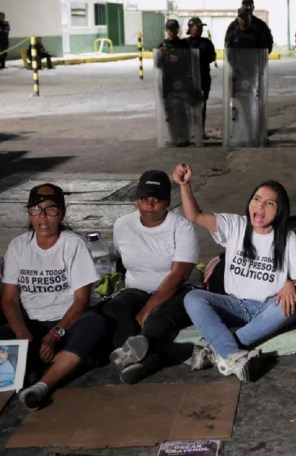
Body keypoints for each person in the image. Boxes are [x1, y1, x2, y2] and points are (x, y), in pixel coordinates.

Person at [174, 164, 296, 382]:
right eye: (257, 199)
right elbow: (194, 215)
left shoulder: (287, 237)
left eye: (269, 203)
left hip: (268, 307)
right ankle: (233, 354)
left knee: (291, 307)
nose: (260, 206)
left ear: (280, 210)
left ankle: (218, 348)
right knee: (192, 298)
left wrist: (293, 284)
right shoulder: (235, 225)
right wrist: (185, 185)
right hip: (234, 305)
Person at [1, 184, 109, 410]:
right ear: (29, 212)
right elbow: (9, 299)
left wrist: (56, 333)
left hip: (66, 323)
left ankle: (41, 387)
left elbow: (81, 300)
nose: (42, 217)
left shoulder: (73, 244)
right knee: (5, 336)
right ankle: (48, 364)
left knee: (95, 323)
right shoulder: (18, 246)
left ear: (61, 213)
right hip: (31, 325)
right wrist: (23, 335)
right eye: (36, 209)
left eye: (50, 210)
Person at [103, 170, 199, 384]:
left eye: (156, 200)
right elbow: (121, 263)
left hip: (175, 292)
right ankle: (140, 355)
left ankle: (147, 358)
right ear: (137, 200)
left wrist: (148, 309)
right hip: (135, 289)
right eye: (144, 199)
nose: (149, 204)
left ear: (167, 202)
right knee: (115, 310)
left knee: (156, 317)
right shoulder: (122, 225)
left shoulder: (181, 227)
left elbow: (179, 275)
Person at [184, 17, 217, 137]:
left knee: (202, 105)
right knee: (189, 105)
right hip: (188, 79)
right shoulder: (184, 43)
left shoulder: (206, 42)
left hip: (203, 77)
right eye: (197, 27)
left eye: (201, 27)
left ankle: (200, 131)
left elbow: (212, 56)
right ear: (190, 28)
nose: (200, 29)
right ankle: (189, 131)